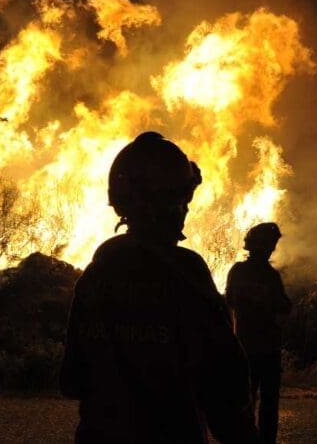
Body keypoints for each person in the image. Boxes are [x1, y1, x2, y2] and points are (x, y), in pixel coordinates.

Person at [60, 131, 259, 444]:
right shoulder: (186, 275)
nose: (186, 209)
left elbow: (72, 380)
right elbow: (224, 385)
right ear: (169, 203)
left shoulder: (96, 275)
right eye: (182, 199)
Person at [225, 223, 292, 444]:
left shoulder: (237, 271)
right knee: (269, 403)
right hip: (267, 348)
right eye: (271, 244)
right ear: (267, 247)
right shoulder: (271, 276)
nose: (273, 248)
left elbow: (229, 302)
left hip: (243, 346)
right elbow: (283, 307)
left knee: (245, 400)